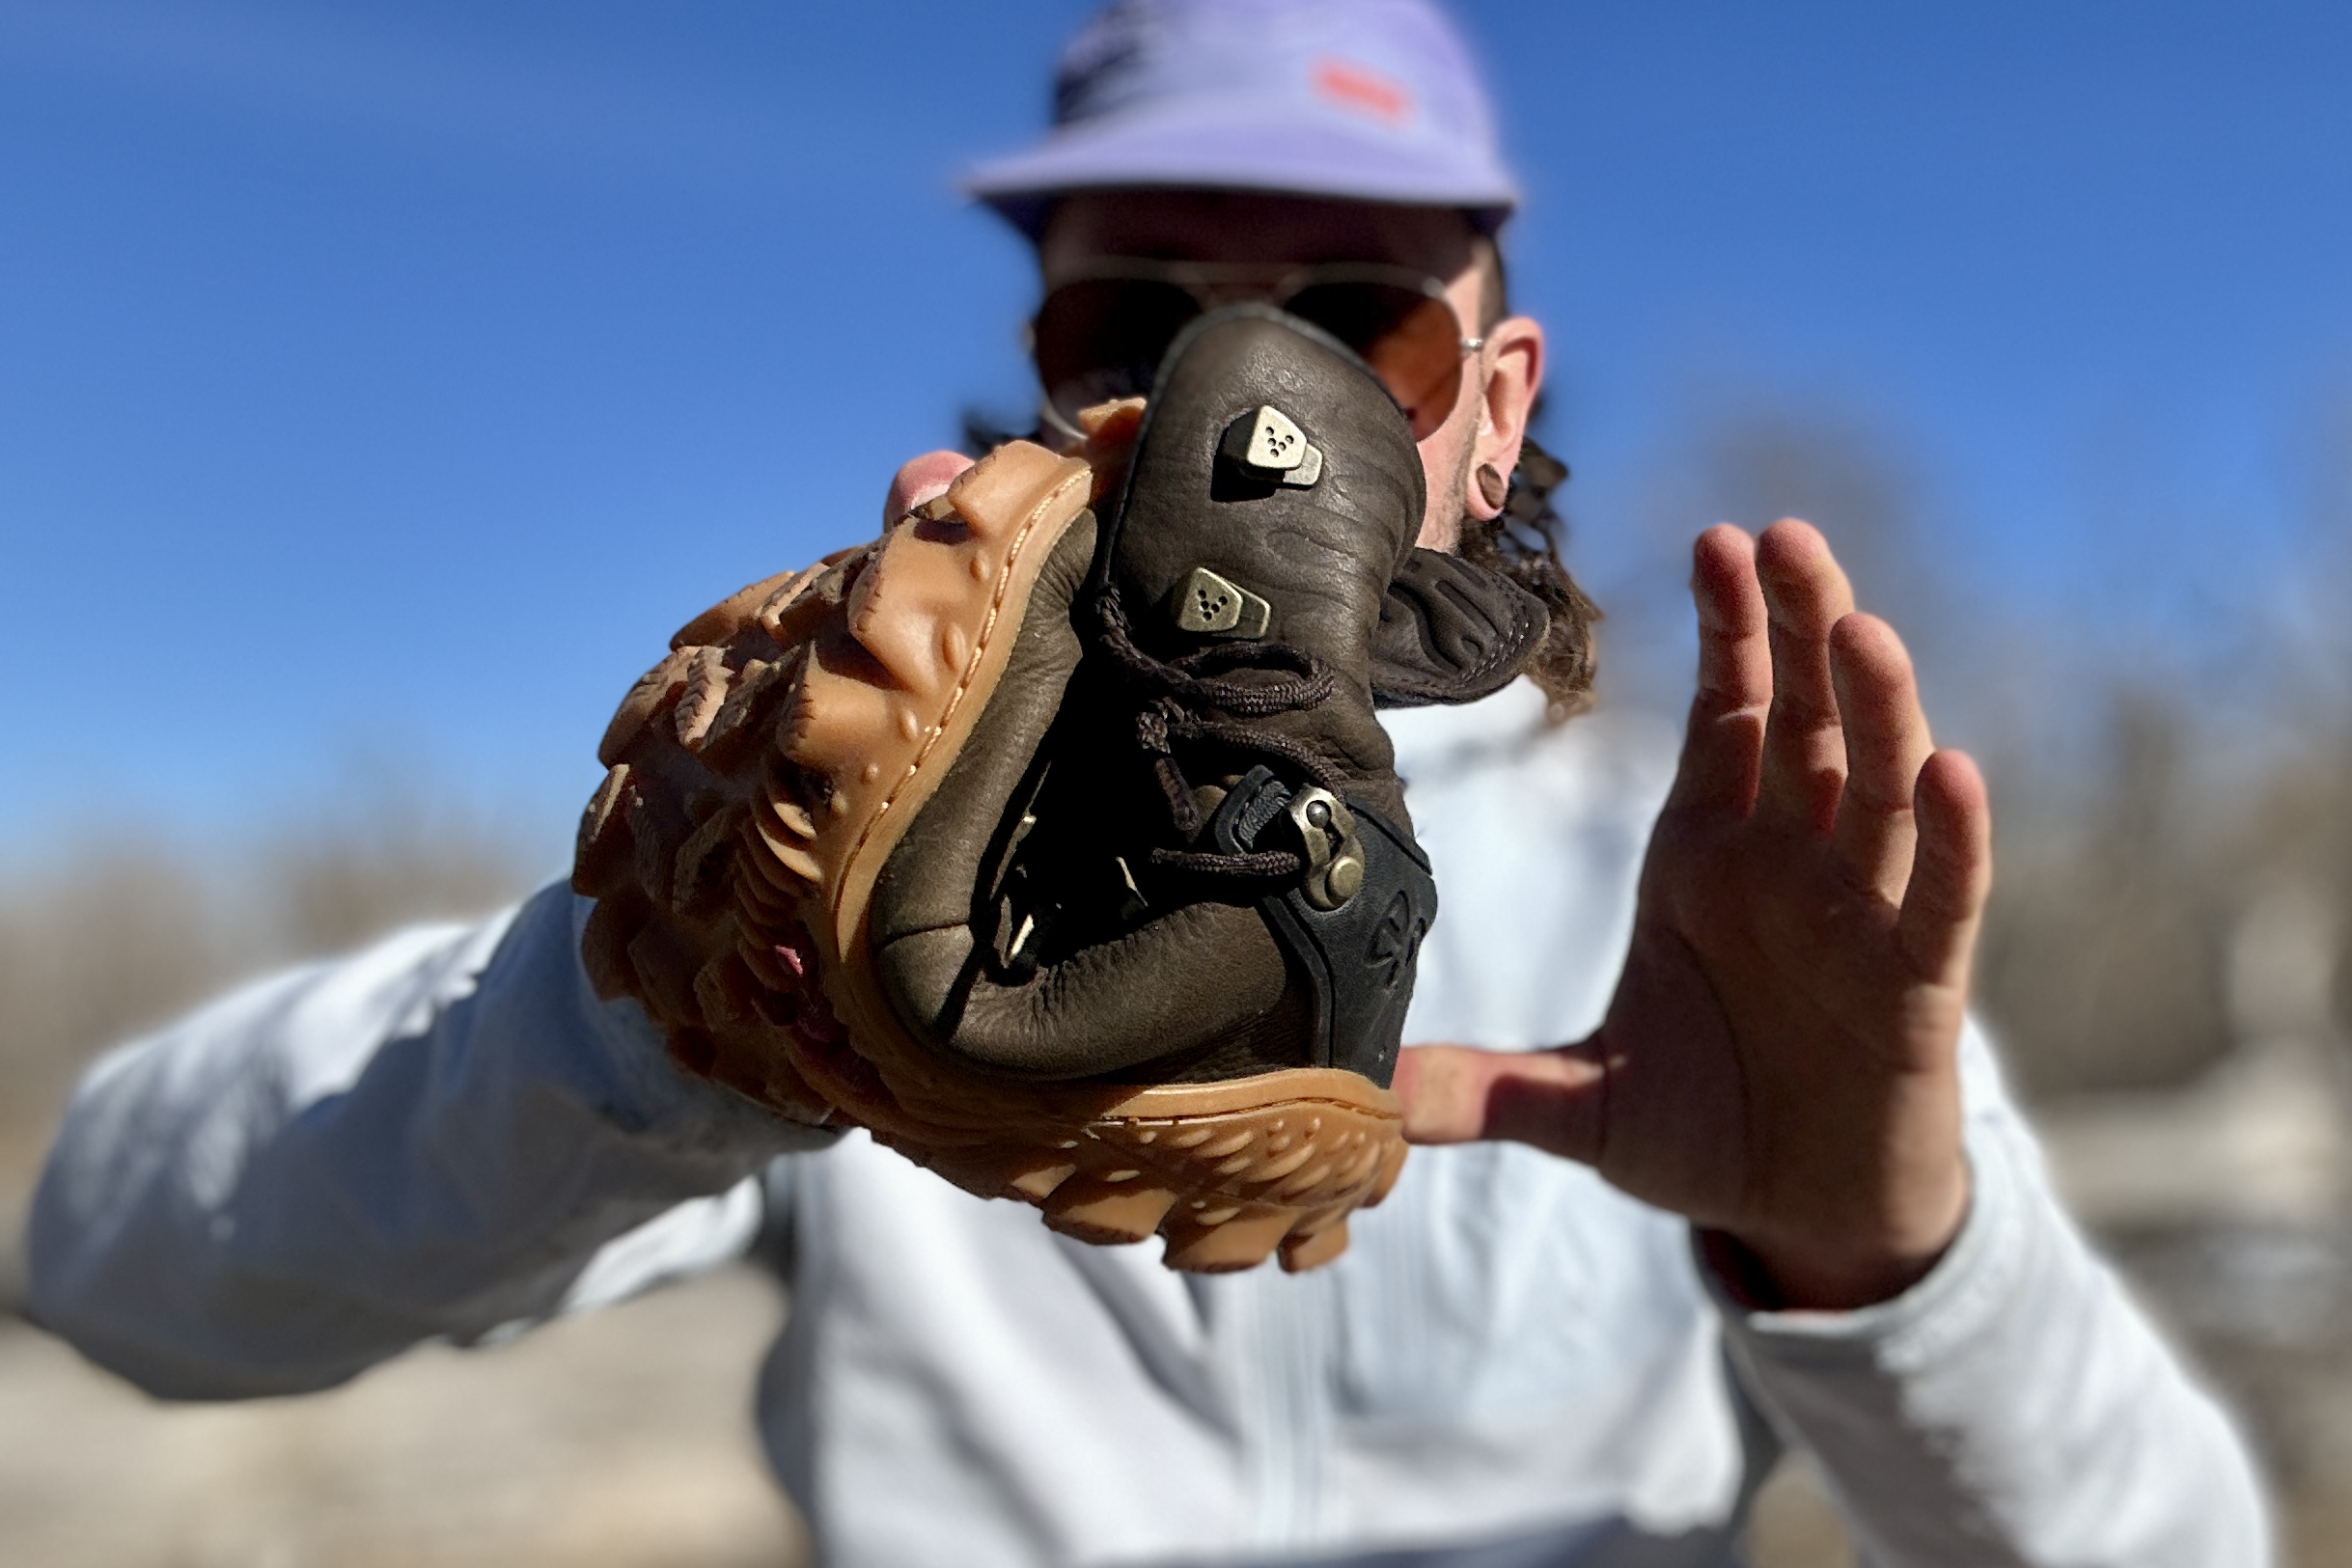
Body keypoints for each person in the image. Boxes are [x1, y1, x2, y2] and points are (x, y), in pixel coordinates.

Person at [25, 2, 2269, 1564]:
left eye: (1347, 333)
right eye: (1144, 332)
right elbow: (118, 1263)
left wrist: (1887, 1263)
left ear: (1489, 408)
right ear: (1052, 383)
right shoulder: (862, 841)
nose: (1237, 411)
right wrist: (681, 1007)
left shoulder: (1705, 917)